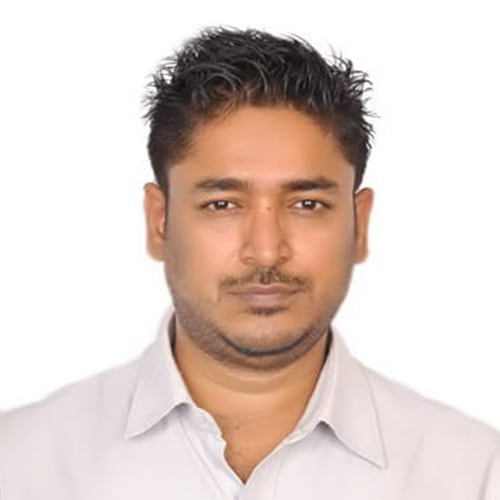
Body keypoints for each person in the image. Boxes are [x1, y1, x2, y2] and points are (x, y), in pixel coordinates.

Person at [0, 26, 498, 500]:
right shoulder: (21, 465)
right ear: (159, 222)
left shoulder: (473, 473)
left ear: (359, 225)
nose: (265, 251)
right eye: (222, 204)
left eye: (307, 204)